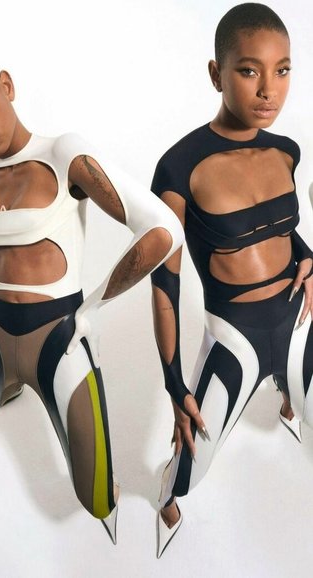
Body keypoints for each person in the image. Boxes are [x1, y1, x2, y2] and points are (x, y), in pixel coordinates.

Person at [0, 43, 184, 544]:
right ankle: (14, 383)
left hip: (59, 339)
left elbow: (163, 229)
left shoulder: (62, 153)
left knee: (96, 501)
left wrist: (91, 307)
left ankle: (104, 490)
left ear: (5, 85)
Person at [150, 3, 313, 557]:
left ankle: (288, 400)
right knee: (189, 470)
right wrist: (174, 383)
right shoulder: (178, 167)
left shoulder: (286, 151)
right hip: (234, 335)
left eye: (282, 70)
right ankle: (165, 504)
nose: (269, 90)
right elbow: (165, 288)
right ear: (216, 74)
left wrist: (309, 256)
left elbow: (281, 228)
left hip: (297, 316)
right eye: (249, 70)